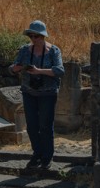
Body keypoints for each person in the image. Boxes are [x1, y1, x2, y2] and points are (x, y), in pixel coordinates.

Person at [9, 20, 65, 173]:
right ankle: (37, 154)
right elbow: (13, 68)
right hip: (29, 92)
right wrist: (17, 68)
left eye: (37, 36)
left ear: (43, 36)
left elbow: (60, 71)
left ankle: (47, 156)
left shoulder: (54, 51)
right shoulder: (25, 50)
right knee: (32, 126)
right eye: (31, 36)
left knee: (45, 126)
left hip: (48, 93)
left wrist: (39, 71)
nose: (34, 39)